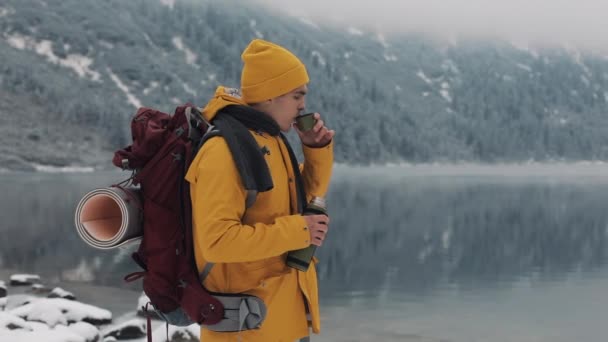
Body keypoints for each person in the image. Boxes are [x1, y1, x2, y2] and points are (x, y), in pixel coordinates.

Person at [185, 38, 335, 341]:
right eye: (297, 95)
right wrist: (298, 231)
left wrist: (315, 150)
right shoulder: (222, 150)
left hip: (280, 320)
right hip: (246, 329)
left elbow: (305, 199)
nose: (303, 105)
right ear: (270, 95)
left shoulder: (268, 140)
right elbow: (218, 241)